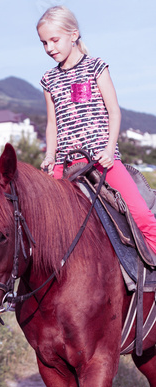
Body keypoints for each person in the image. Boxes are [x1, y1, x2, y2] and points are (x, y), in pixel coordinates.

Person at [37, 5, 156, 255]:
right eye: (44, 43)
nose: (50, 48)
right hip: (64, 161)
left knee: (142, 216)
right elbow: (52, 123)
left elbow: (114, 111)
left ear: (74, 35)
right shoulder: (49, 80)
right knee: (41, 222)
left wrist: (110, 150)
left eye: (54, 40)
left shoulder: (96, 67)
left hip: (101, 160)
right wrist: (50, 155)